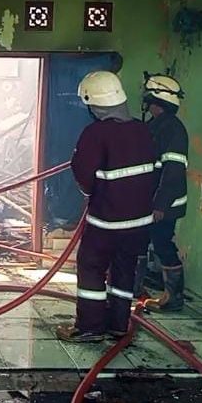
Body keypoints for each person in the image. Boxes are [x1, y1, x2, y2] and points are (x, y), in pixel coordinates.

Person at [56, 71, 157, 343]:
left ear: (94, 103)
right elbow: (155, 172)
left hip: (106, 221)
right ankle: (118, 325)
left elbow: (83, 174)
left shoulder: (96, 133)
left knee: (91, 267)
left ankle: (90, 327)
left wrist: (91, 193)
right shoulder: (143, 130)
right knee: (125, 270)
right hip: (140, 222)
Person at [135, 73, 188, 312]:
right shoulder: (155, 126)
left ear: (156, 101)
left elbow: (173, 171)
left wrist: (160, 205)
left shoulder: (172, 129)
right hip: (149, 200)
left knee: (162, 243)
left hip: (164, 204)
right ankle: (133, 289)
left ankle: (174, 298)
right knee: (138, 241)